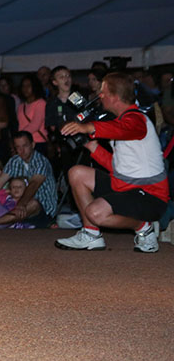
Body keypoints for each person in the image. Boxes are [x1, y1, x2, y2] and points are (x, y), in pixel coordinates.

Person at [55, 72, 169, 252]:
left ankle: (143, 226)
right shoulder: (120, 122)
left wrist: (88, 127)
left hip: (150, 196)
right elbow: (118, 167)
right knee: (76, 173)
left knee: (95, 212)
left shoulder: (136, 119)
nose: (99, 96)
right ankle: (91, 235)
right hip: (125, 186)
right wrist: (91, 146)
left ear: (115, 97)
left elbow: (124, 128)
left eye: (103, 92)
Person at [0, 131, 57, 228]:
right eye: (18, 147)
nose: (22, 150)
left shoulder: (41, 162)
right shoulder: (14, 161)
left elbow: (33, 185)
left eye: (25, 146)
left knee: (34, 203)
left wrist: (21, 204)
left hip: (43, 210)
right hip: (15, 207)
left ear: (33, 145)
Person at [16, 74, 48, 155]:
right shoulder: (21, 106)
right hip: (22, 144)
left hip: (37, 142)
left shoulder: (41, 103)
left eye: (28, 86)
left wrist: (18, 136)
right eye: (23, 86)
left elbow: (35, 124)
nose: (25, 89)